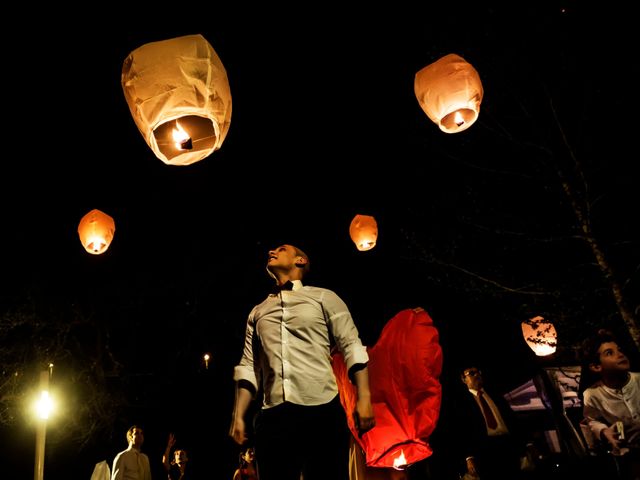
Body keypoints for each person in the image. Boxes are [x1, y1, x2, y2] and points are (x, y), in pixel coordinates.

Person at [229, 243, 375, 480]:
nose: (271, 251)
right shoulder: (257, 312)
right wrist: (238, 415)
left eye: (282, 248)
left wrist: (365, 398)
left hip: (321, 411)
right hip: (273, 416)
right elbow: (248, 365)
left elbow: (351, 345)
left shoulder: (324, 297)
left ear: (300, 261)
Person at [447, 365, 528, 480]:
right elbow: (461, 430)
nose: (477, 375)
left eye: (478, 372)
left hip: (508, 444)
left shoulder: (495, 395)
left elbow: (512, 419)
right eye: (471, 373)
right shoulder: (460, 403)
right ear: (463, 380)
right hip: (486, 450)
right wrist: (468, 457)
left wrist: (527, 444)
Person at [581, 329, 640, 479]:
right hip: (632, 456)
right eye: (609, 353)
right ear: (596, 366)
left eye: (619, 350)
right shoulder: (592, 394)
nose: (620, 354)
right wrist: (604, 431)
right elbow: (592, 420)